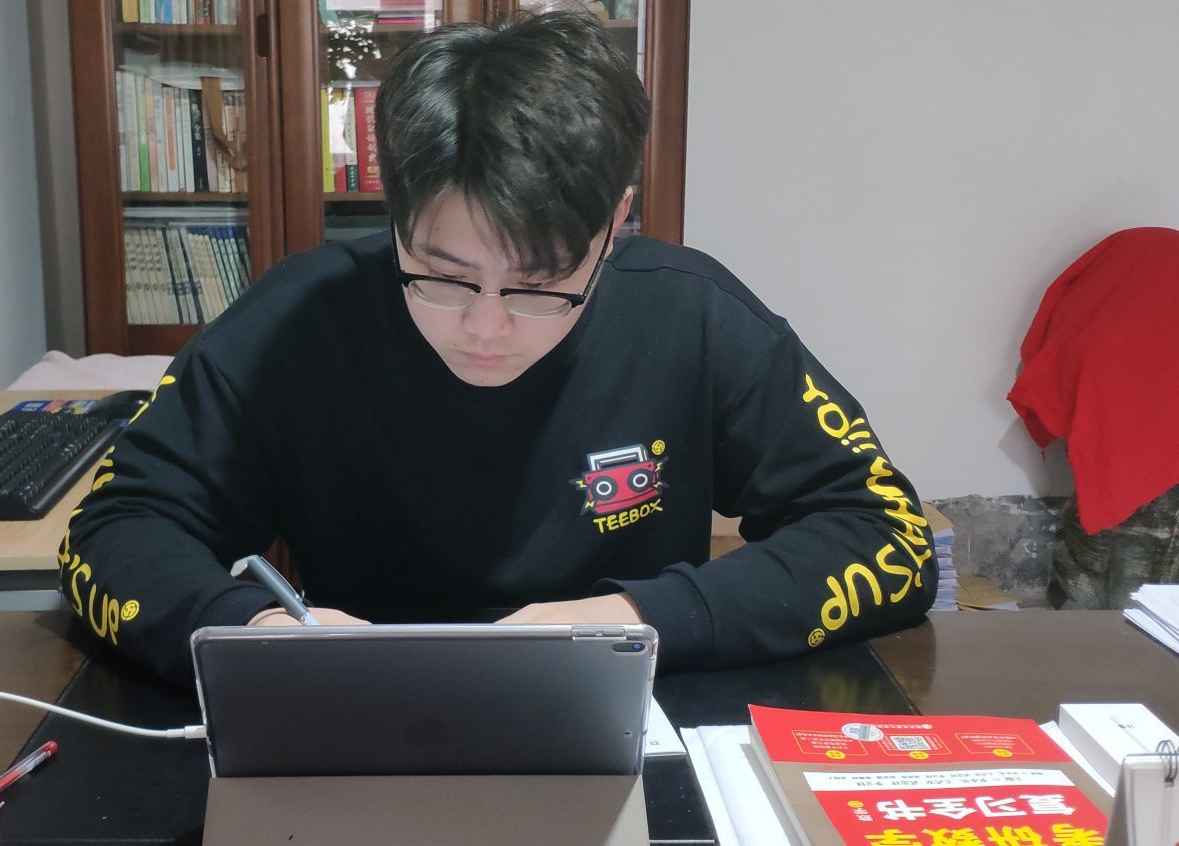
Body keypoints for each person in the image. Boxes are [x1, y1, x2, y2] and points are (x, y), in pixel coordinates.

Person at [58, 10, 936, 685]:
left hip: (623, 712)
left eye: (540, 284)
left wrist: (639, 618)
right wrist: (251, 629)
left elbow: (887, 535)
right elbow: (113, 531)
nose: (485, 327)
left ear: (615, 222)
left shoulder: (693, 316)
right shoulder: (292, 321)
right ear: (396, 216)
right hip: (349, 714)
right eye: (441, 277)